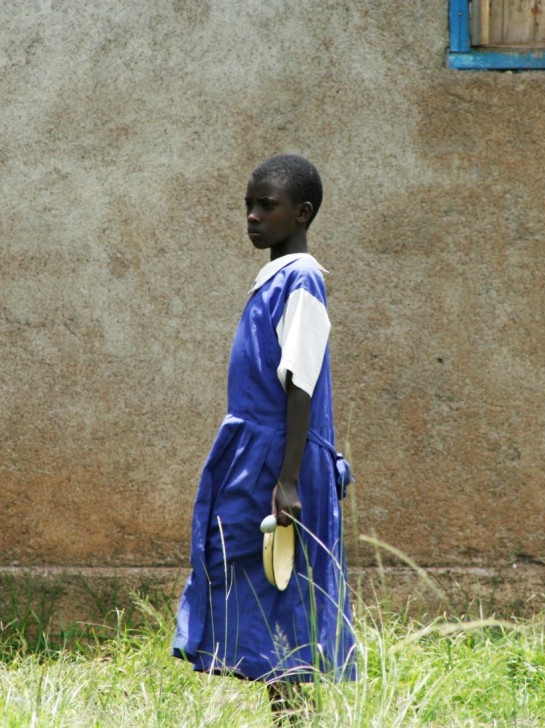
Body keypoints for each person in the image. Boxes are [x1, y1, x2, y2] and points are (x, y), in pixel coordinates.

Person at [172, 154, 356, 721]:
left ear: (301, 213)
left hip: (280, 458)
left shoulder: (301, 280)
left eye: (266, 206)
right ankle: (284, 713)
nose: (252, 216)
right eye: (248, 205)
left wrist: (289, 479)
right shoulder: (274, 279)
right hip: (259, 453)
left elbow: (300, 383)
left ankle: (293, 716)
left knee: (287, 594)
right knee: (264, 587)